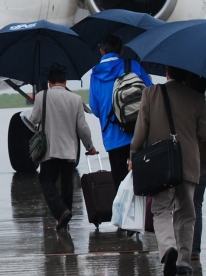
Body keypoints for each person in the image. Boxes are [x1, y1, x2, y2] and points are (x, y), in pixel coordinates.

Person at [129, 66, 206, 276]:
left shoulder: (151, 93)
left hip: (160, 163)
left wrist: (134, 155)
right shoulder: (196, 98)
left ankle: (167, 249)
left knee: (161, 210)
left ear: (167, 72)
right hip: (188, 164)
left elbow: (140, 131)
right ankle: (184, 263)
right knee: (187, 212)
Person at [28, 65, 98, 229]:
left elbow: (33, 119)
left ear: (49, 83)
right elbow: (83, 128)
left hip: (49, 150)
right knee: (67, 184)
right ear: (65, 82)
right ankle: (65, 218)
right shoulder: (75, 99)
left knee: (46, 180)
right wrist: (90, 147)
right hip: (69, 149)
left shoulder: (41, 96)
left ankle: (61, 212)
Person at [87, 35, 152, 190]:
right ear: (121, 51)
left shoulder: (95, 74)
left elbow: (95, 108)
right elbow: (151, 95)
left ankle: (124, 213)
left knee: (120, 185)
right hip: (138, 132)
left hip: (112, 136)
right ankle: (144, 213)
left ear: (102, 51)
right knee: (144, 181)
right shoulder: (133, 65)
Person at [185, 72, 206, 262]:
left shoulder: (181, 110)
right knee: (196, 206)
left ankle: (179, 246)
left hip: (184, 162)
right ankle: (194, 250)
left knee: (182, 205)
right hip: (203, 163)